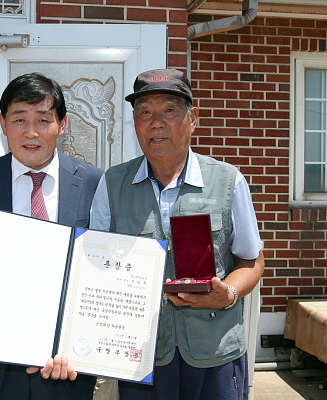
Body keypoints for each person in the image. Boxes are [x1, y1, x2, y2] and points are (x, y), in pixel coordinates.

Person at [90, 69, 265, 400]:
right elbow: (96, 268)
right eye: (144, 112)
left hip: (214, 351)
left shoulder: (228, 181)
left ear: (192, 119)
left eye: (169, 110)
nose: (156, 122)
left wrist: (228, 292)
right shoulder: (112, 184)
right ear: (135, 123)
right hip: (141, 355)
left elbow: (251, 260)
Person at [0, 72, 102, 400]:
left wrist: (79, 337)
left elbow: (102, 265)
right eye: (19, 119)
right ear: (3, 123)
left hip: (64, 361)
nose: (30, 132)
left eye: (43, 119)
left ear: (62, 124)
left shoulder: (94, 183)